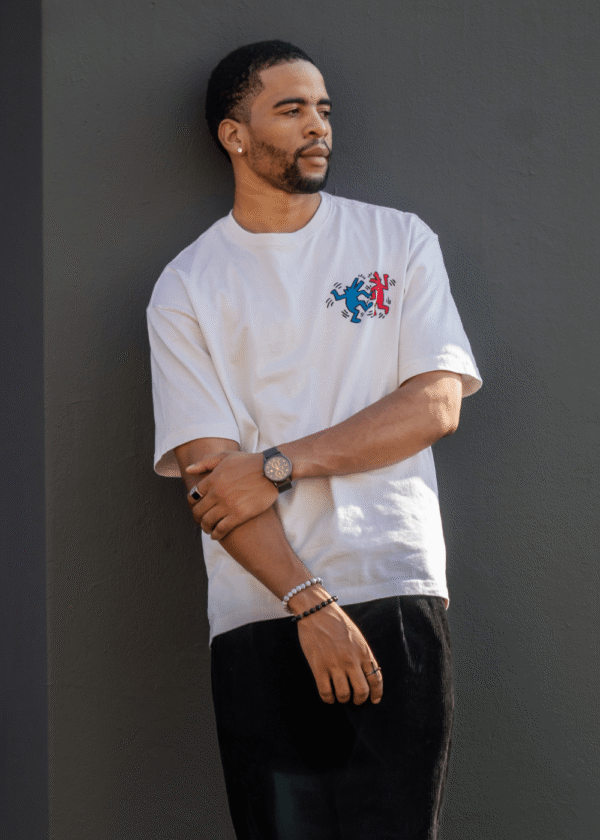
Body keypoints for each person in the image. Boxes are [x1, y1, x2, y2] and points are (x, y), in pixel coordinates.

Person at [147, 39, 482, 840]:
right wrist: (309, 604)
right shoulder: (188, 286)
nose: (318, 127)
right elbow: (211, 480)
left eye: (324, 109)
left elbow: (434, 404)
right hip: (261, 613)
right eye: (292, 109)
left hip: (393, 585)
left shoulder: (396, 242)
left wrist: (276, 464)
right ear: (235, 135)